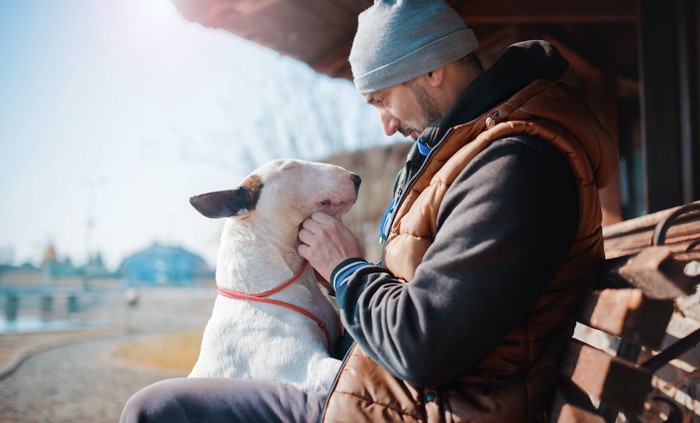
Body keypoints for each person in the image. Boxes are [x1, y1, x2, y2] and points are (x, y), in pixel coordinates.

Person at [120, 0, 618, 421]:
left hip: (430, 405)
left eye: (382, 98)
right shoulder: (481, 153)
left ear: (431, 69)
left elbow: (422, 346)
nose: (384, 125)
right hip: (406, 384)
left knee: (158, 408)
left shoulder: (514, 166)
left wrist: (347, 270)